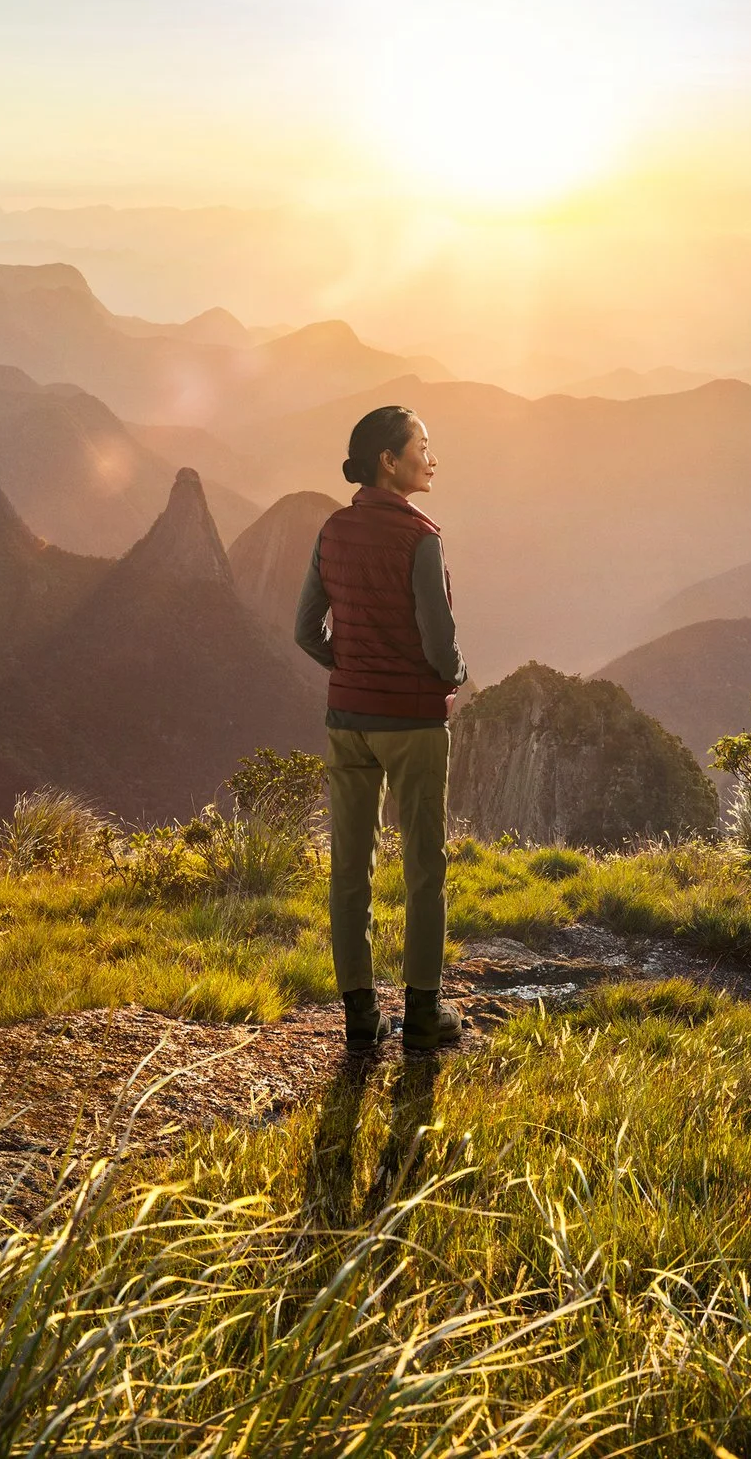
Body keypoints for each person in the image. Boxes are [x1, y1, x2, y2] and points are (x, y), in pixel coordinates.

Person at [294, 405, 468, 1053]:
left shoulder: (332, 532)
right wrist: (454, 675)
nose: (432, 457)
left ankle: (360, 1019)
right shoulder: (422, 536)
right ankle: (423, 1014)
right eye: (424, 445)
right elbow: (439, 639)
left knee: (350, 869)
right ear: (390, 463)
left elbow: (304, 629)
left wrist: (350, 666)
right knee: (425, 866)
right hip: (415, 723)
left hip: (349, 723)